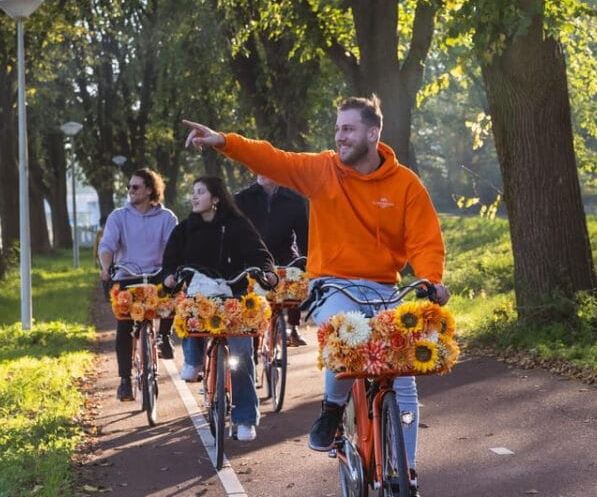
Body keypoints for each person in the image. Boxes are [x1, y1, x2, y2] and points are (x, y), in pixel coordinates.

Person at [181, 96, 447, 493]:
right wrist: (223, 141)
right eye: (337, 128)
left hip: (383, 287)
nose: (340, 136)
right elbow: (274, 159)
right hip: (332, 284)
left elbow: (425, 239)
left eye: (348, 129)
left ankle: (404, 475)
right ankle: (332, 409)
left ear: (372, 134)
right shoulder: (323, 169)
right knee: (344, 331)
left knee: (403, 373)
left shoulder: (405, 184)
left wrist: (430, 279)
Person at [161, 176, 278, 442]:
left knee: (242, 354)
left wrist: (267, 272)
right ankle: (194, 359)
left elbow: (259, 253)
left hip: (234, 296)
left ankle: (245, 419)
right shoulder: (185, 229)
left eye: (200, 192)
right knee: (188, 310)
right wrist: (168, 276)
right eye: (193, 192)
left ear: (215, 198)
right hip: (200, 295)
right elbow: (170, 260)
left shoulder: (237, 224)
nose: (194, 196)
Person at [98, 169, 178, 401]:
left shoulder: (167, 218)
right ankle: (125, 381)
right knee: (124, 325)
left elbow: (173, 247)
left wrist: (173, 269)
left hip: (157, 275)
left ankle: (164, 335)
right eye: (129, 187)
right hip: (127, 275)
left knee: (174, 293)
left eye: (135, 187)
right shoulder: (118, 217)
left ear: (150, 190)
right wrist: (107, 268)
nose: (130, 191)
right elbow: (107, 246)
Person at [235, 174, 310, 346]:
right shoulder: (241, 199)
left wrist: (308, 260)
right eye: (258, 169)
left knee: (298, 273)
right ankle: (254, 335)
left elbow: (304, 236)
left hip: (284, 254)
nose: (262, 172)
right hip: (253, 256)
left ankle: (293, 326)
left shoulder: (294, 199)